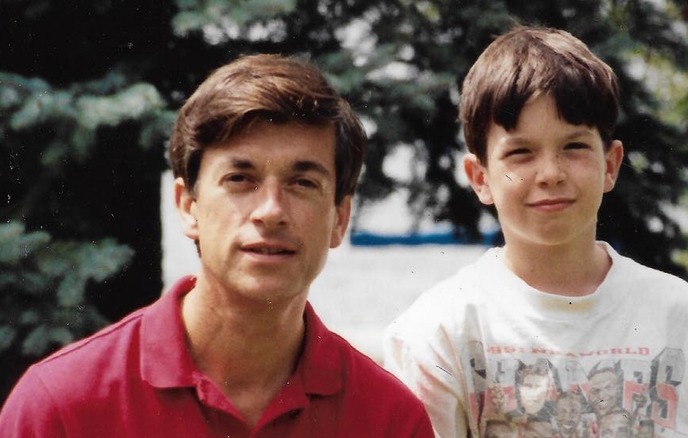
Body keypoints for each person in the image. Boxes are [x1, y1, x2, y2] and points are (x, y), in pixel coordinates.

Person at [0, 53, 434, 437]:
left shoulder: (389, 420)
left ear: (339, 219)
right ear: (187, 205)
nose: (271, 210)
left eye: (302, 182)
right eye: (240, 179)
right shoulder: (60, 408)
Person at [382, 25, 688, 437]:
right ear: (480, 177)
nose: (550, 174)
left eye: (574, 146)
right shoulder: (440, 330)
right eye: (520, 153)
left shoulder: (681, 318)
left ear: (611, 164)